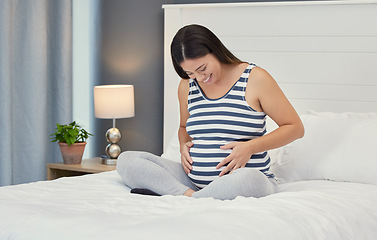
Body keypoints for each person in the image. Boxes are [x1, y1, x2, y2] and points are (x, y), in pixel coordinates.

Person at [117, 24, 304, 200]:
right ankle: (192, 196)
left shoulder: (255, 79)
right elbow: (183, 127)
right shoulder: (186, 87)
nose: (199, 78)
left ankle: (181, 196)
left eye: (202, 68)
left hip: (244, 179)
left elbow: (295, 128)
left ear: (215, 51)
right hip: (192, 181)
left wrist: (250, 147)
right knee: (127, 161)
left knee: (249, 179)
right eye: (190, 73)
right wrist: (184, 145)